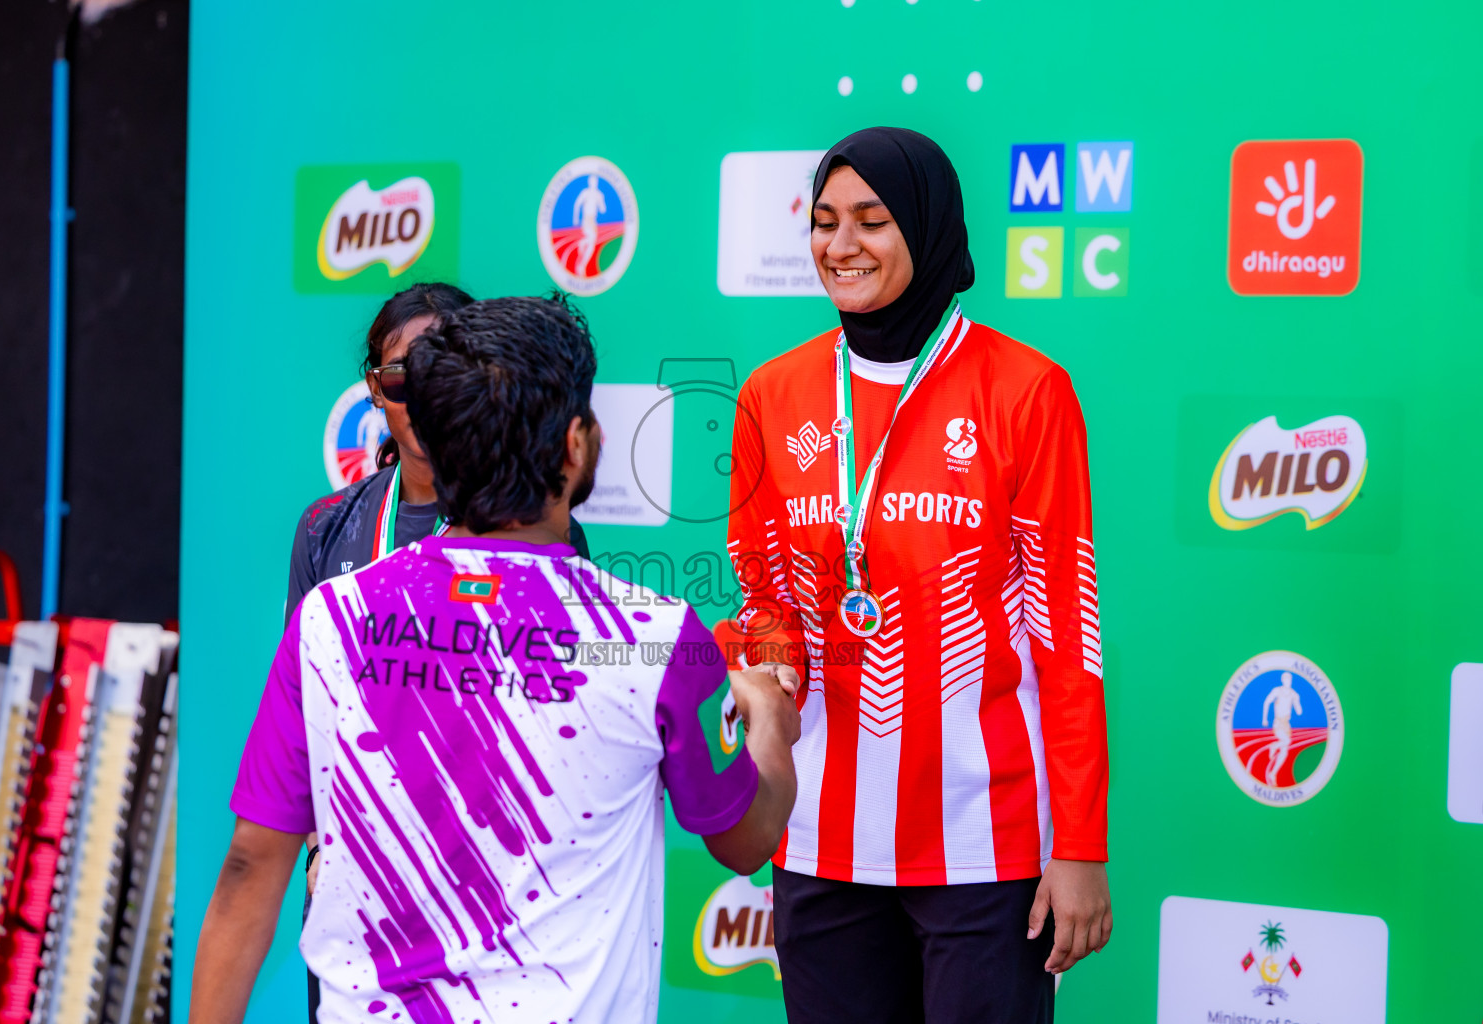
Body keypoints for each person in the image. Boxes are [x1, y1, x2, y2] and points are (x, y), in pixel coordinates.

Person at [193, 295, 801, 1024]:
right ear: (575, 445)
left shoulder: (333, 621)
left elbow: (249, 867)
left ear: (437, 444)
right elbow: (747, 837)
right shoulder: (651, 639)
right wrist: (767, 717)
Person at [725, 127, 1112, 1023]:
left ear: (929, 229)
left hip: (987, 845)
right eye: (823, 221)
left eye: (872, 220)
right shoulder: (772, 397)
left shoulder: (1025, 390)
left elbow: (1066, 635)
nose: (840, 246)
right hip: (820, 836)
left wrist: (1080, 844)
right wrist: (764, 662)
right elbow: (764, 599)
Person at [282, 282, 593, 1018]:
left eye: (440, 373)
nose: (419, 397)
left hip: (496, 888)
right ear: (373, 390)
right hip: (358, 882)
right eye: (400, 377)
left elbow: (557, 723)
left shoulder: (543, 529)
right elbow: (302, 722)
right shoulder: (328, 528)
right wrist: (316, 849)